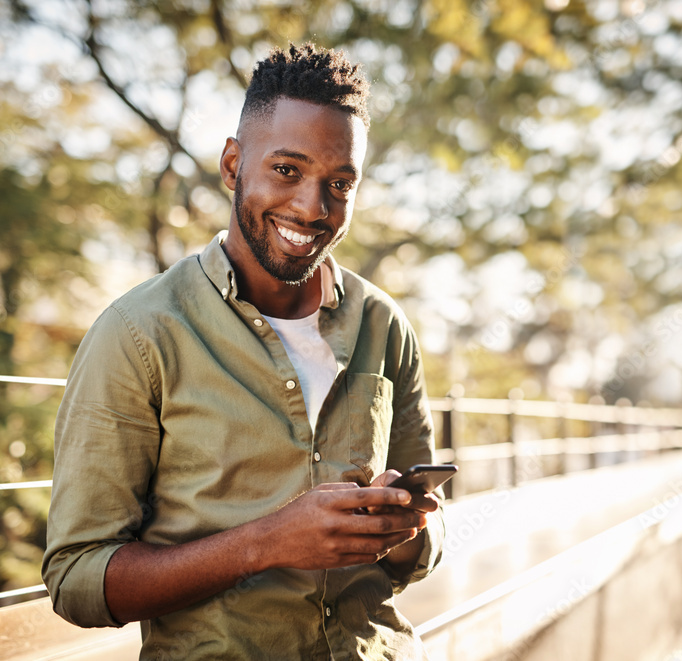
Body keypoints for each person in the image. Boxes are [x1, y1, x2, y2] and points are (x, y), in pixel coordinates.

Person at [42, 43, 445, 660]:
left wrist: (408, 529)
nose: (313, 209)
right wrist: (267, 543)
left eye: (339, 183)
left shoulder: (383, 324)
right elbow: (77, 580)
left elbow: (434, 523)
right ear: (233, 164)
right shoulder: (137, 333)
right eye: (287, 170)